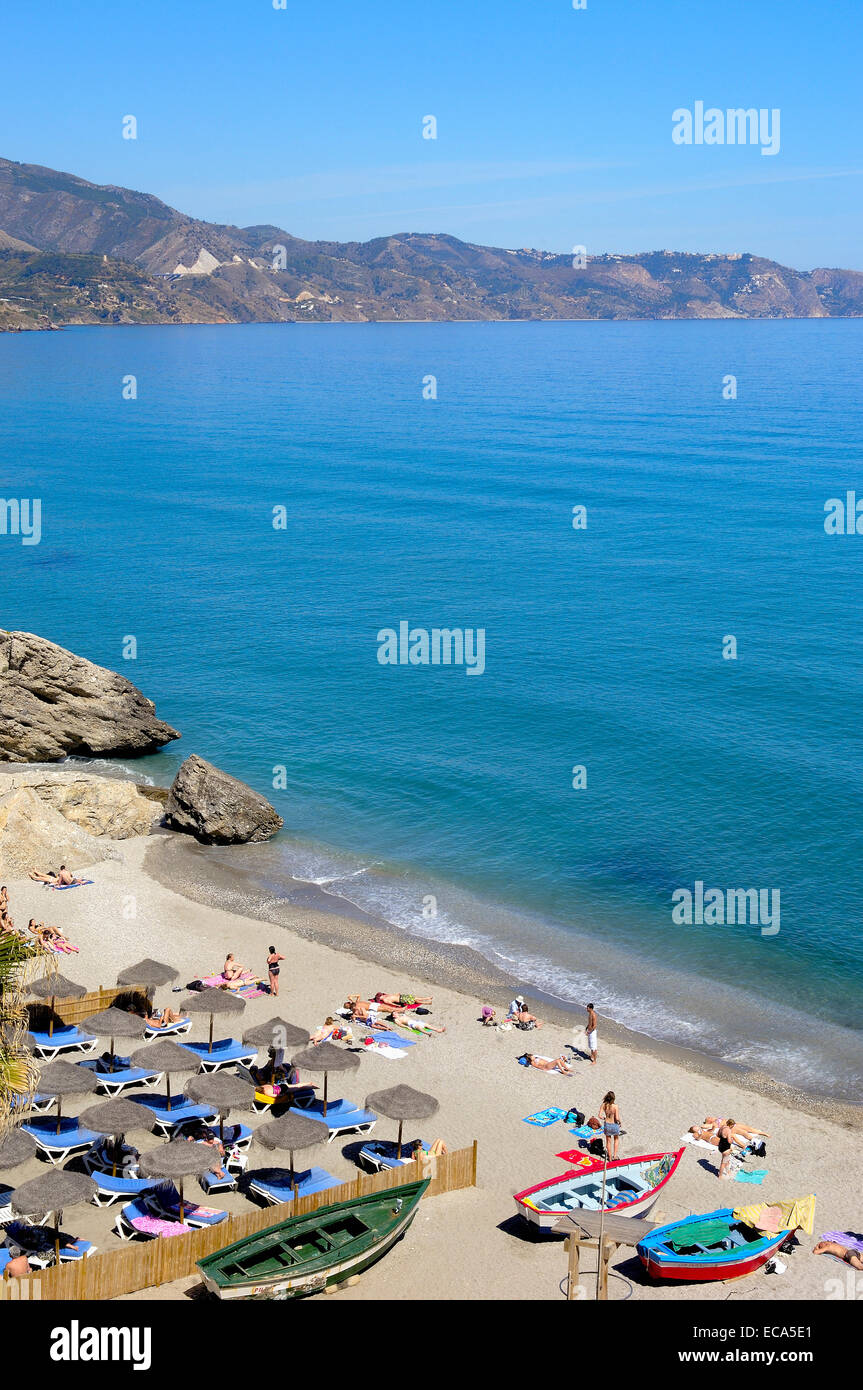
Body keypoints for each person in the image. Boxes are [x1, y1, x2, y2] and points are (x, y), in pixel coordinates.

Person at [599, 1090, 621, 1159]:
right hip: (614, 1124)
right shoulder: (615, 1106)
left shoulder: (604, 1105)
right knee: (616, 1139)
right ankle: (615, 1156)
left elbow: (599, 1115)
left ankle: (610, 1157)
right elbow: (617, 1118)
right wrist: (620, 1122)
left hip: (607, 1124)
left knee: (608, 1141)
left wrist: (604, 1118)